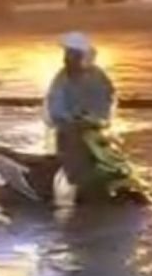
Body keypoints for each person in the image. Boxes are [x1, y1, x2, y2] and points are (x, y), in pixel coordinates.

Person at [45, 32, 116, 195]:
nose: (67, 58)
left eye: (72, 54)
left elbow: (107, 98)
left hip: (92, 131)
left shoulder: (97, 75)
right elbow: (55, 104)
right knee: (74, 173)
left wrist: (95, 119)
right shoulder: (62, 78)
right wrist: (68, 120)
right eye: (67, 54)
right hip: (70, 132)